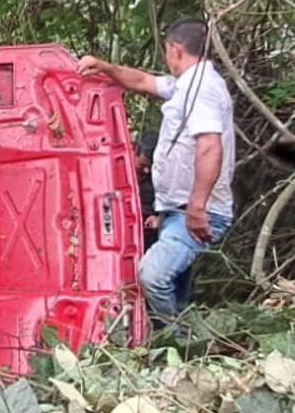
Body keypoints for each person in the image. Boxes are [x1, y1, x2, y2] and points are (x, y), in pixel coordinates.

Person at [78, 18, 235, 322]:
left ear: (176, 49)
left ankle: (177, 335)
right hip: (176, 210)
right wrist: (105, 68)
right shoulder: (187, 84)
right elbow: (143, 82)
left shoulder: (202, 88)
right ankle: (182, 337)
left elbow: (210, 146)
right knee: (175, 286)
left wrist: (197, 206)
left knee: (152, 277)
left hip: (193, 212)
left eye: (166, 51)